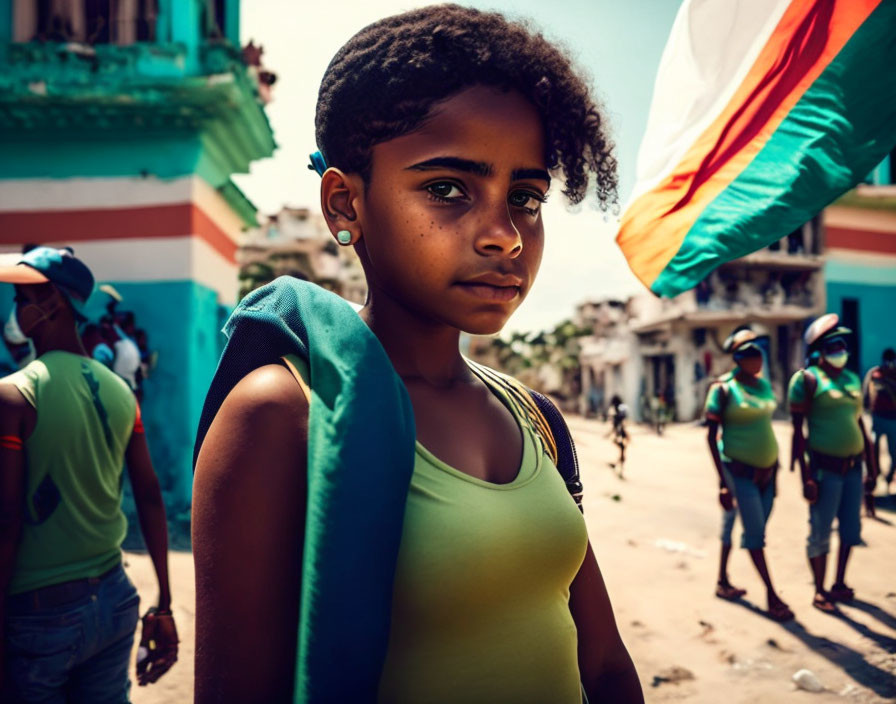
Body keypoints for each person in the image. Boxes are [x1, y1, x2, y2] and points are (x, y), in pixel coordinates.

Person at [192, 6, 642, 703]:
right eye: (446, 189)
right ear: (345, 204)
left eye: (525, 196)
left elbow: (606, 665)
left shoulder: (536, 417)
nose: (505, 236)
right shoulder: (284, 418)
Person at [0, 247, 178, 701]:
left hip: (39, 613)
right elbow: (150, 495)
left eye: (22, 300)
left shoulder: (15, 396)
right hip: (115, 601)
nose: (16, 311)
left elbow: (6, 521)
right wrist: (165, 603)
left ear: (55, 302)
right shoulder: (121, 392)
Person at [789, 314, 878, 613]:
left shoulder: (852, 379)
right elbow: (798, 432)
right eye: (833, 345)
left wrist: (872, 465)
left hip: (853, 468)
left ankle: (839, 582)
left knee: (851, 530)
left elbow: (859, 423)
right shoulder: (807, 380)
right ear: (820, 351)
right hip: (824, 470)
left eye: (843, 344)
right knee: (821, 532)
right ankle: (819, 588)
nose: (840, 350)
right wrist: (805, 477)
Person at [704, 328, 793, 621]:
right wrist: (723, 484)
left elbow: (766, 426)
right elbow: (711, 437)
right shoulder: (723, 389)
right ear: (737, 359)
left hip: (768, 472)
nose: (755, 360)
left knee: (735, 523)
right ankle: (771, 594)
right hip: (738, 472)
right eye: (748, 356)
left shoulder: (763, 386)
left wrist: (776, 475)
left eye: (757, 354)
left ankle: (722, 581)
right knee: (755, 534)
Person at [864, 348, 896, 492]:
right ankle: (874, 478)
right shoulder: (875, 373)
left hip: (893, 420)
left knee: (894, 453)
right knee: (873, 449)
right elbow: (866, 393)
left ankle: (889, 478)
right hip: (878, 419)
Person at [608, 394, 629, 477]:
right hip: (621, 432)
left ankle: (618, 465)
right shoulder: (621, 407)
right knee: (622, 449)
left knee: (622, 449)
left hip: (620, 432)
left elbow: (619, 421)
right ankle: (618, 465)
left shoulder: (618, 408)